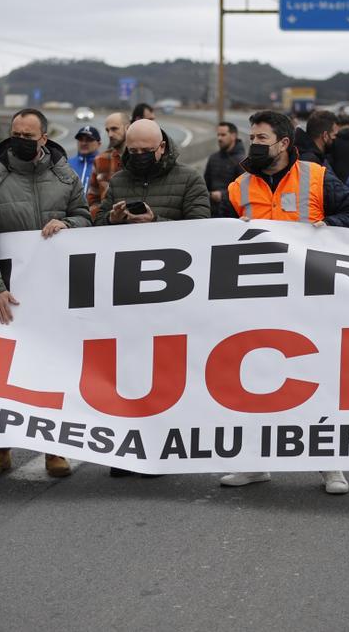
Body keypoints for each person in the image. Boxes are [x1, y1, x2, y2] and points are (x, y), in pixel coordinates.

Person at [219, 110, 349, 495]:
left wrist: (330, 228)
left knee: (314, 379)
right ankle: (254, 463)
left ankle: (329, 465)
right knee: (254, 379)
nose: (254, 144)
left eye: (262, 138)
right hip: (256, 298)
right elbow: (215, 238)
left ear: (284, 143)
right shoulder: (239, 186)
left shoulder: (316, 176)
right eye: (252, 137)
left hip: (308, 297)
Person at [0, 108, 93, 479]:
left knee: (52, 369)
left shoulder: (65, 176)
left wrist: (68, 223)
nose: (20, 140)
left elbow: (85, 218)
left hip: (55, 291)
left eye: (27, 135)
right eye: (15, 133)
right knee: (1, 371)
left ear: (43, 139)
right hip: (8, 294)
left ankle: (55, 448)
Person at [96, 119, 210, 475]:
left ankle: (164, 448)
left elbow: (204, 229)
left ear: (162, 146)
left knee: (167, 376)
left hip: (173, 298)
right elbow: (94, 230)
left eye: (147, 151)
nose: (140, 157)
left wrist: (156, 221)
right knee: (128, 375)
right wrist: (112, 220)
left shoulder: (189, 179)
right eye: (134, 151)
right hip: (127, 295)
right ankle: (128, 449)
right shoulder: (119, 181)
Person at [88, 112, 129, 219]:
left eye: (114, 129)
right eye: (107, 130)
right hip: (106, 226)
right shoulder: (100, 160)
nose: (110, 134)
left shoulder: (140, 157)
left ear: (128, 128)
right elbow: (92, 199)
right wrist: (102, 219)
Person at [203, 121, 244, 209]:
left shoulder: (242, 161)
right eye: (218, 135)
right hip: (213, 209)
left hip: (233, 211)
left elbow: (244, 189)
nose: (219, 138)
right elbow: (205, 184)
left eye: (223, 135)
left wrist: (223, 195)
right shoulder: (213, 158)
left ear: (233, 136)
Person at [68, 124, 101, 192]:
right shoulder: (67, 165)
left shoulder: (105, 165)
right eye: (80, 139)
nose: (84, 143)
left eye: (89, 139)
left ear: (99, 144)